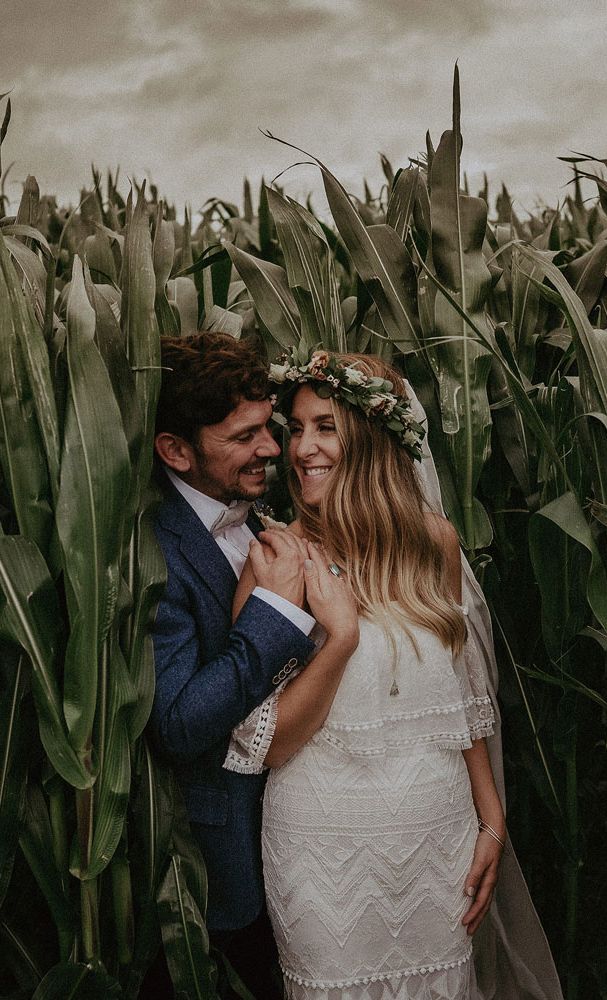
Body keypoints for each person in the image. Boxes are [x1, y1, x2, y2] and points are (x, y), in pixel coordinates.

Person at [224, 351, 506, 998]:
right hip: (325, 852)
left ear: (373, 439)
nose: (302, 448)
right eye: (296, 428)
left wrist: (491, 820)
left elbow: (463, 701)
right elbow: (271, 743)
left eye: (325, 425)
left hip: (439, 836)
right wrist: (340, 638)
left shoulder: (434, 543)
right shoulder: (277, 559)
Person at [147, 333, 359, 998]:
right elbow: (178, 724)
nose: (273, 448)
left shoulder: (265, 517)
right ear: (176, 450)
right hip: (224, 867)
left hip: (311, 844)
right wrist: (271, 617)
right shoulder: (152, 556)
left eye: (268, 427)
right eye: (243, 436)